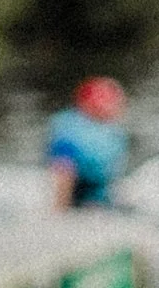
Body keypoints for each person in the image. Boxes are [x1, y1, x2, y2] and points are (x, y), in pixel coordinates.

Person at [48, 73, 128, 207]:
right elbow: (64, 171)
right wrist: (60, 212)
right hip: (81, 203)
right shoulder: (70, 130)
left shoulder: (111, 131)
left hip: (100, 198)